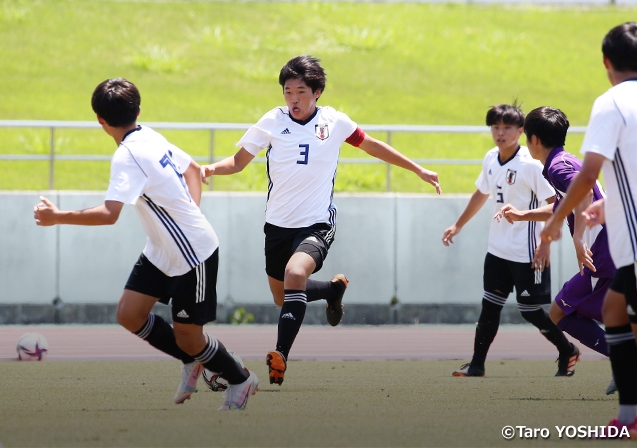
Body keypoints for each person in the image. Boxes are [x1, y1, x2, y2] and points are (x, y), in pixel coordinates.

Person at [201, 55, 441, 386]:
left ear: (317, 92)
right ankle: (331, 289)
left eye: (300, 91)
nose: (293, 99)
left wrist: (417, 169)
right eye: (287, 92)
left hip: (316, 223)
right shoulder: (272, 121)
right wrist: (212, 168)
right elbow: (239, 161)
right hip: (277, 226)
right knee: (281, 296)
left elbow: (372, 146)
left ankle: (280, 356)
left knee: (294, 273)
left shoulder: (335, 122)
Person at [33, 78, 258, 411]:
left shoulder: (127, 155)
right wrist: (188, 213)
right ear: (138, 110)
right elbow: (194, 170)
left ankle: (239, 378)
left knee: (190, 337)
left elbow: (110, 214)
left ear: (100, 120)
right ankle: (193, 360)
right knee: (129, 314)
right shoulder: (148, 135)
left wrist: (57, 216)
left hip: (192, 254)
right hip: (161, 250)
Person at [540, 22, 637, 436]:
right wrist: (608, 201)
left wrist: (555, 221)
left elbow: (588, 173)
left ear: (606, 61)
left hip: (633, 234)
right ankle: (630, 417)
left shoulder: (611, 102)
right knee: (617, 310)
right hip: (625, 222)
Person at [442, 103, 580, 378]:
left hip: (528, 252)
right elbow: (481, 193)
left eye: (507, 127)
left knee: (530, 311)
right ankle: (477, 365)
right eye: (495, 127)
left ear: (522, 132)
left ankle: (567, 350)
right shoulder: (491, 158)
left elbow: (558, 206)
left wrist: (545, 243)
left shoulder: (532, 165)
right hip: (498, 249)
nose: (500, 133)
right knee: (490, 306)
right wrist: (458, 225)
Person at [494, 107, 614, 367]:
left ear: (534, 140)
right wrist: (523, 214)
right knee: (564, 311)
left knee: (564, 312)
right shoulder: (566, 160)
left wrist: (578, 237)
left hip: (602, 253)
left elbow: (583, 195)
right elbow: (566, 203)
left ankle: (627, 363)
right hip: (608, 248)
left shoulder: (558, 168)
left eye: (526, 137)